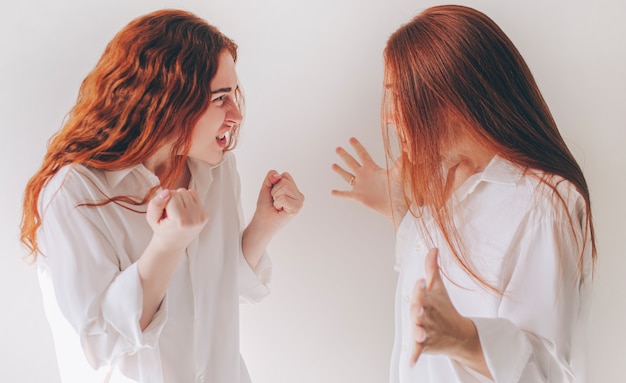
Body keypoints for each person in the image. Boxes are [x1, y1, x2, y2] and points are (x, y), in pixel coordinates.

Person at [20, 9, 304, 383]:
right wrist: (167, 246)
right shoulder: (74, 191)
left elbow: (219, 289)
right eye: (220, 98)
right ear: (166, 99)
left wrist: (266, 224)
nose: (235, 114)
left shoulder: (217, 171)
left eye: (234, 94)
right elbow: (101, 340)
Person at [332, 5, 595, 383]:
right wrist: (400, 211)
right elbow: (436, 279)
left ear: (453, 97)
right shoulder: (443, 181)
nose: (388, 116)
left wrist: (464, 339)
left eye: (397, 94)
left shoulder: (544, 204)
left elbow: (554, 373)